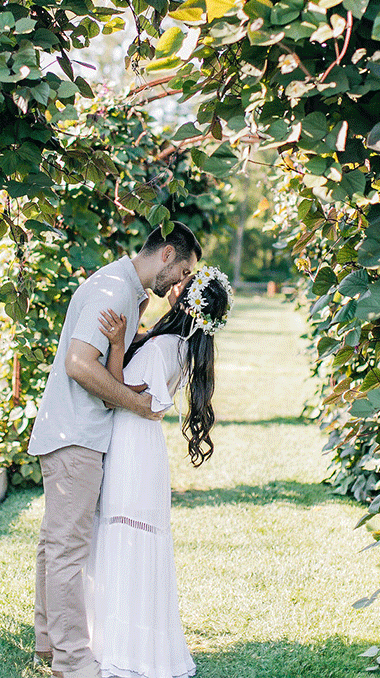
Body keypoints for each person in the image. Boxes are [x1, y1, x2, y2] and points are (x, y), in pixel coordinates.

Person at [28, 223, 202, 678]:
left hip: (73, 430)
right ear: (167, 255)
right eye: (183, 270)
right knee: (68, 549)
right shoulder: (114, 288)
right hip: (77, 433)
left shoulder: (127, 290)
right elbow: (79, 364)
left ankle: (48, 645)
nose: (181, 283)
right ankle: (72, 660)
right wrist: (139, 403)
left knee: (55, 545)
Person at [86, 265, 233, 678]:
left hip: (132, 448)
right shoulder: (182, 345)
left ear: (187, 302)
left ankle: (122, 649)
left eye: (185, 282)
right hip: (143, 451)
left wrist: (117, 345)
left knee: (123, 536)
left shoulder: (165, 345)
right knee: (129, 539)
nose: (176, 280)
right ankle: (128, 642)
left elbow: (118, 392)